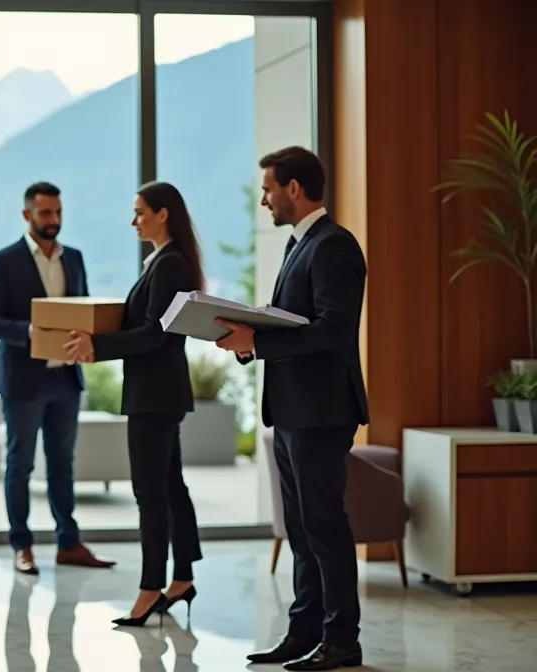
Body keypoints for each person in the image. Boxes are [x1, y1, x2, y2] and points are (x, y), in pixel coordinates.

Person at [215, 146, 368, 671]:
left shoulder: (333, 246)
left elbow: (332, 330)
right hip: (293, 411)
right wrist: (249, 337)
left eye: (267, 189)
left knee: (324, 526)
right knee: (302, 528)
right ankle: (304, 633)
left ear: (294, 188)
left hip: (322, 412)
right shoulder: (299, 245)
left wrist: (258, 343)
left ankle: (342, 641)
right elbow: (296, 323)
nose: (263, 200)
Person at [63, 181, 204, 627]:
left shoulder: (168, 266)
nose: (133, 220)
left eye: (140, 211)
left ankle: (150, 588)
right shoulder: (166, 263)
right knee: (170, 488)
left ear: (163, 214)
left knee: (151, 494)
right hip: (160, 393)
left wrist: (96, 345)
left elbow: (153, 334)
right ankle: (180, 579)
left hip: (154, 396)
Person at [0, 181, 116, 575]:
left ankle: (68, 543)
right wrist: (31, 331)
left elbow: (85, 307)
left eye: (58, 213)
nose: (53, 220)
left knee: (63, 463)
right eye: (45, 213)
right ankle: (21, 545)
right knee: (19, 464)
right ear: (27, 215)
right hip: (22, 379)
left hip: (66, 379)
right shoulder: (3, 260)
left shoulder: (73, 258)